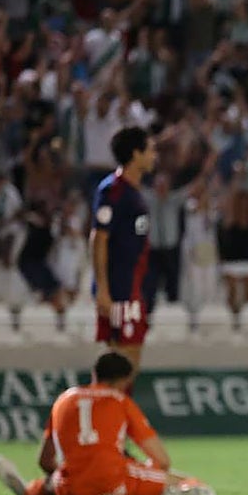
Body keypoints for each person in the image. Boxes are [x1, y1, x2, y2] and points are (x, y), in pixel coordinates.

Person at [0, 352, 214, 495]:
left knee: (61, 478)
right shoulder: (119, 400)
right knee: (188, 483)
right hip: (113, 479)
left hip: (70, 486)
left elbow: (44, 460)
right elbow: (163, 460)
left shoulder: (64, 399)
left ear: (94, 374)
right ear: (124, 381)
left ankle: (35, 490)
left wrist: (76, 473)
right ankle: (177, 491)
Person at [91, 126, 157, 376]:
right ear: (135, 154)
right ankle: (105, 413)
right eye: (150, 150)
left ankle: (114, 413)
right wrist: (103, 290)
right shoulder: (113, 191)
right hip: (119, 287)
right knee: (120, 363)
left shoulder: (134, 192)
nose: (154, 156)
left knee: (128, 361)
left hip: (133, 285)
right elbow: (99, 238)